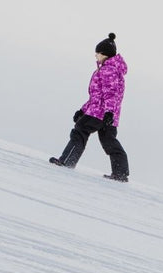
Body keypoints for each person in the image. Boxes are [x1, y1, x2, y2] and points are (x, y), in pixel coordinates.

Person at [50, 33, 130, 182]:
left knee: (80, 130)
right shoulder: (113, 70)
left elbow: (110, 94)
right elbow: (96, 96)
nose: (95, 56)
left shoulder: (108, 70)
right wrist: (82, 110)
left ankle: (67, 161)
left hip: (99, 113)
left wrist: (108, 112)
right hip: (108, 115)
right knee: (109, 141)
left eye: (97, 53)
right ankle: (120, 173)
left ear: (104, 54)